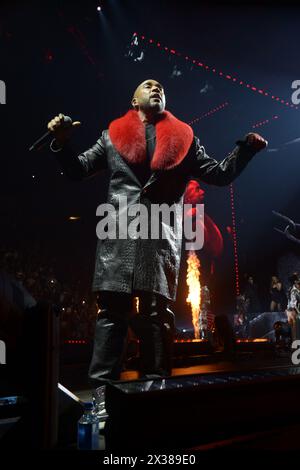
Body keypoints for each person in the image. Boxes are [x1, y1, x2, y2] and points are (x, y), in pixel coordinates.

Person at [47, 79, 267, 387]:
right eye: (147, 85)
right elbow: (76, 170)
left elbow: (219, 174)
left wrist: (245, 150)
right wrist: (61, 143)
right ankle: (102, 395)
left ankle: (155, 393)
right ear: (134, 100)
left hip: (159, 237)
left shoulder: (185, 139)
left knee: (156, 316)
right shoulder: (110, 137)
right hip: (118, 236)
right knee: (111, 314)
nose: (156, 88)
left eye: (160, 87)